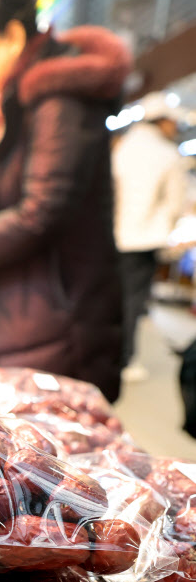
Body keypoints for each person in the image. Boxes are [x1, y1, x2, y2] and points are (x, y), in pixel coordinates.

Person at [0, 0, 131, 402]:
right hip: (28, 309)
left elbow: (42, 209)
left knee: (53, 457)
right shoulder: (21, 100)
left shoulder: (57, 97)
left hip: (57, 319)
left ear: (11, 35)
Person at [113, 93, 190, 381]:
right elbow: (174, 203)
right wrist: (169, 233)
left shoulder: (123, 148)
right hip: (145, 241)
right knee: (133, 302)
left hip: (116, 237)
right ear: (162, 121)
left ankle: (107, 352)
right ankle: (125, 359)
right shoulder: (167, 154)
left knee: (114, 297)